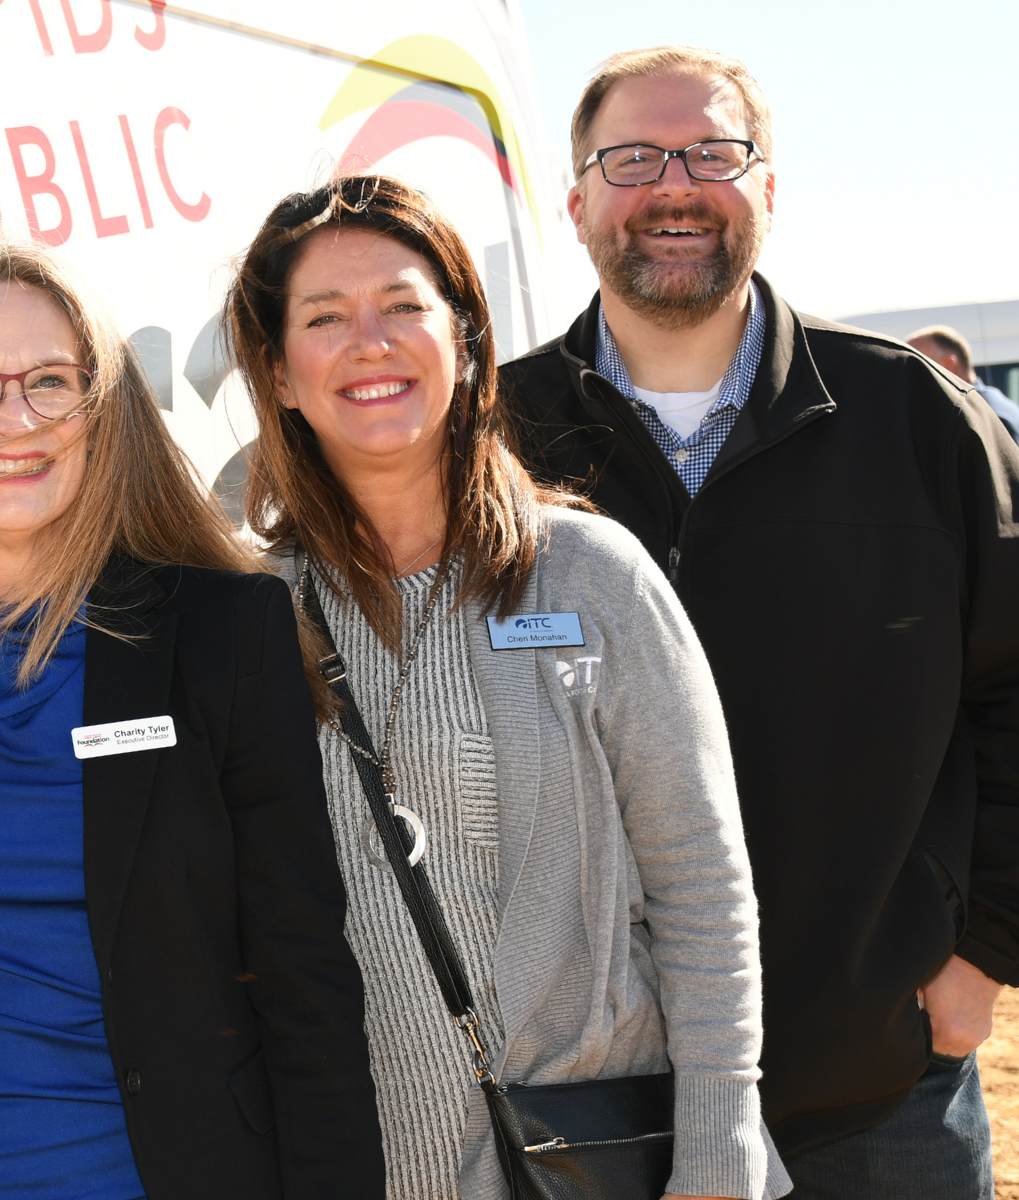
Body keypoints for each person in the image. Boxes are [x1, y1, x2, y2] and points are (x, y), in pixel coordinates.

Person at [0, 226, 385, 1199]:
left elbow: (307, 977)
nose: (16, 420)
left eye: (50, 381)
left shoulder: (225, 635)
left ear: (101, 410)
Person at [500, 45, 1019, 1198]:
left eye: (714, 153)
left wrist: (985, 951)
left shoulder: (916, 421)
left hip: (875, 1089)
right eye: (632, 157)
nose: (675, 185)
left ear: (768, 191)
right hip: (592, 1100)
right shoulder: (495, 443)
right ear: (575, 200)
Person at [225, 173, 787, 1200]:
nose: (371, 341)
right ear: (280, 373)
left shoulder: (592, 574)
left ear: (466, 342)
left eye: (405, 306)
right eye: (324, 318)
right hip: (358, 1167)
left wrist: (717, 1159)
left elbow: (703, 891)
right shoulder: (248, 613)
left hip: (599, 1162)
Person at [909, 324, 1019, 440]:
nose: (911, 378)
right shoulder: (987, 404)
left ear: (948, 364)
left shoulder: (983, 418)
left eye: (916, 367)